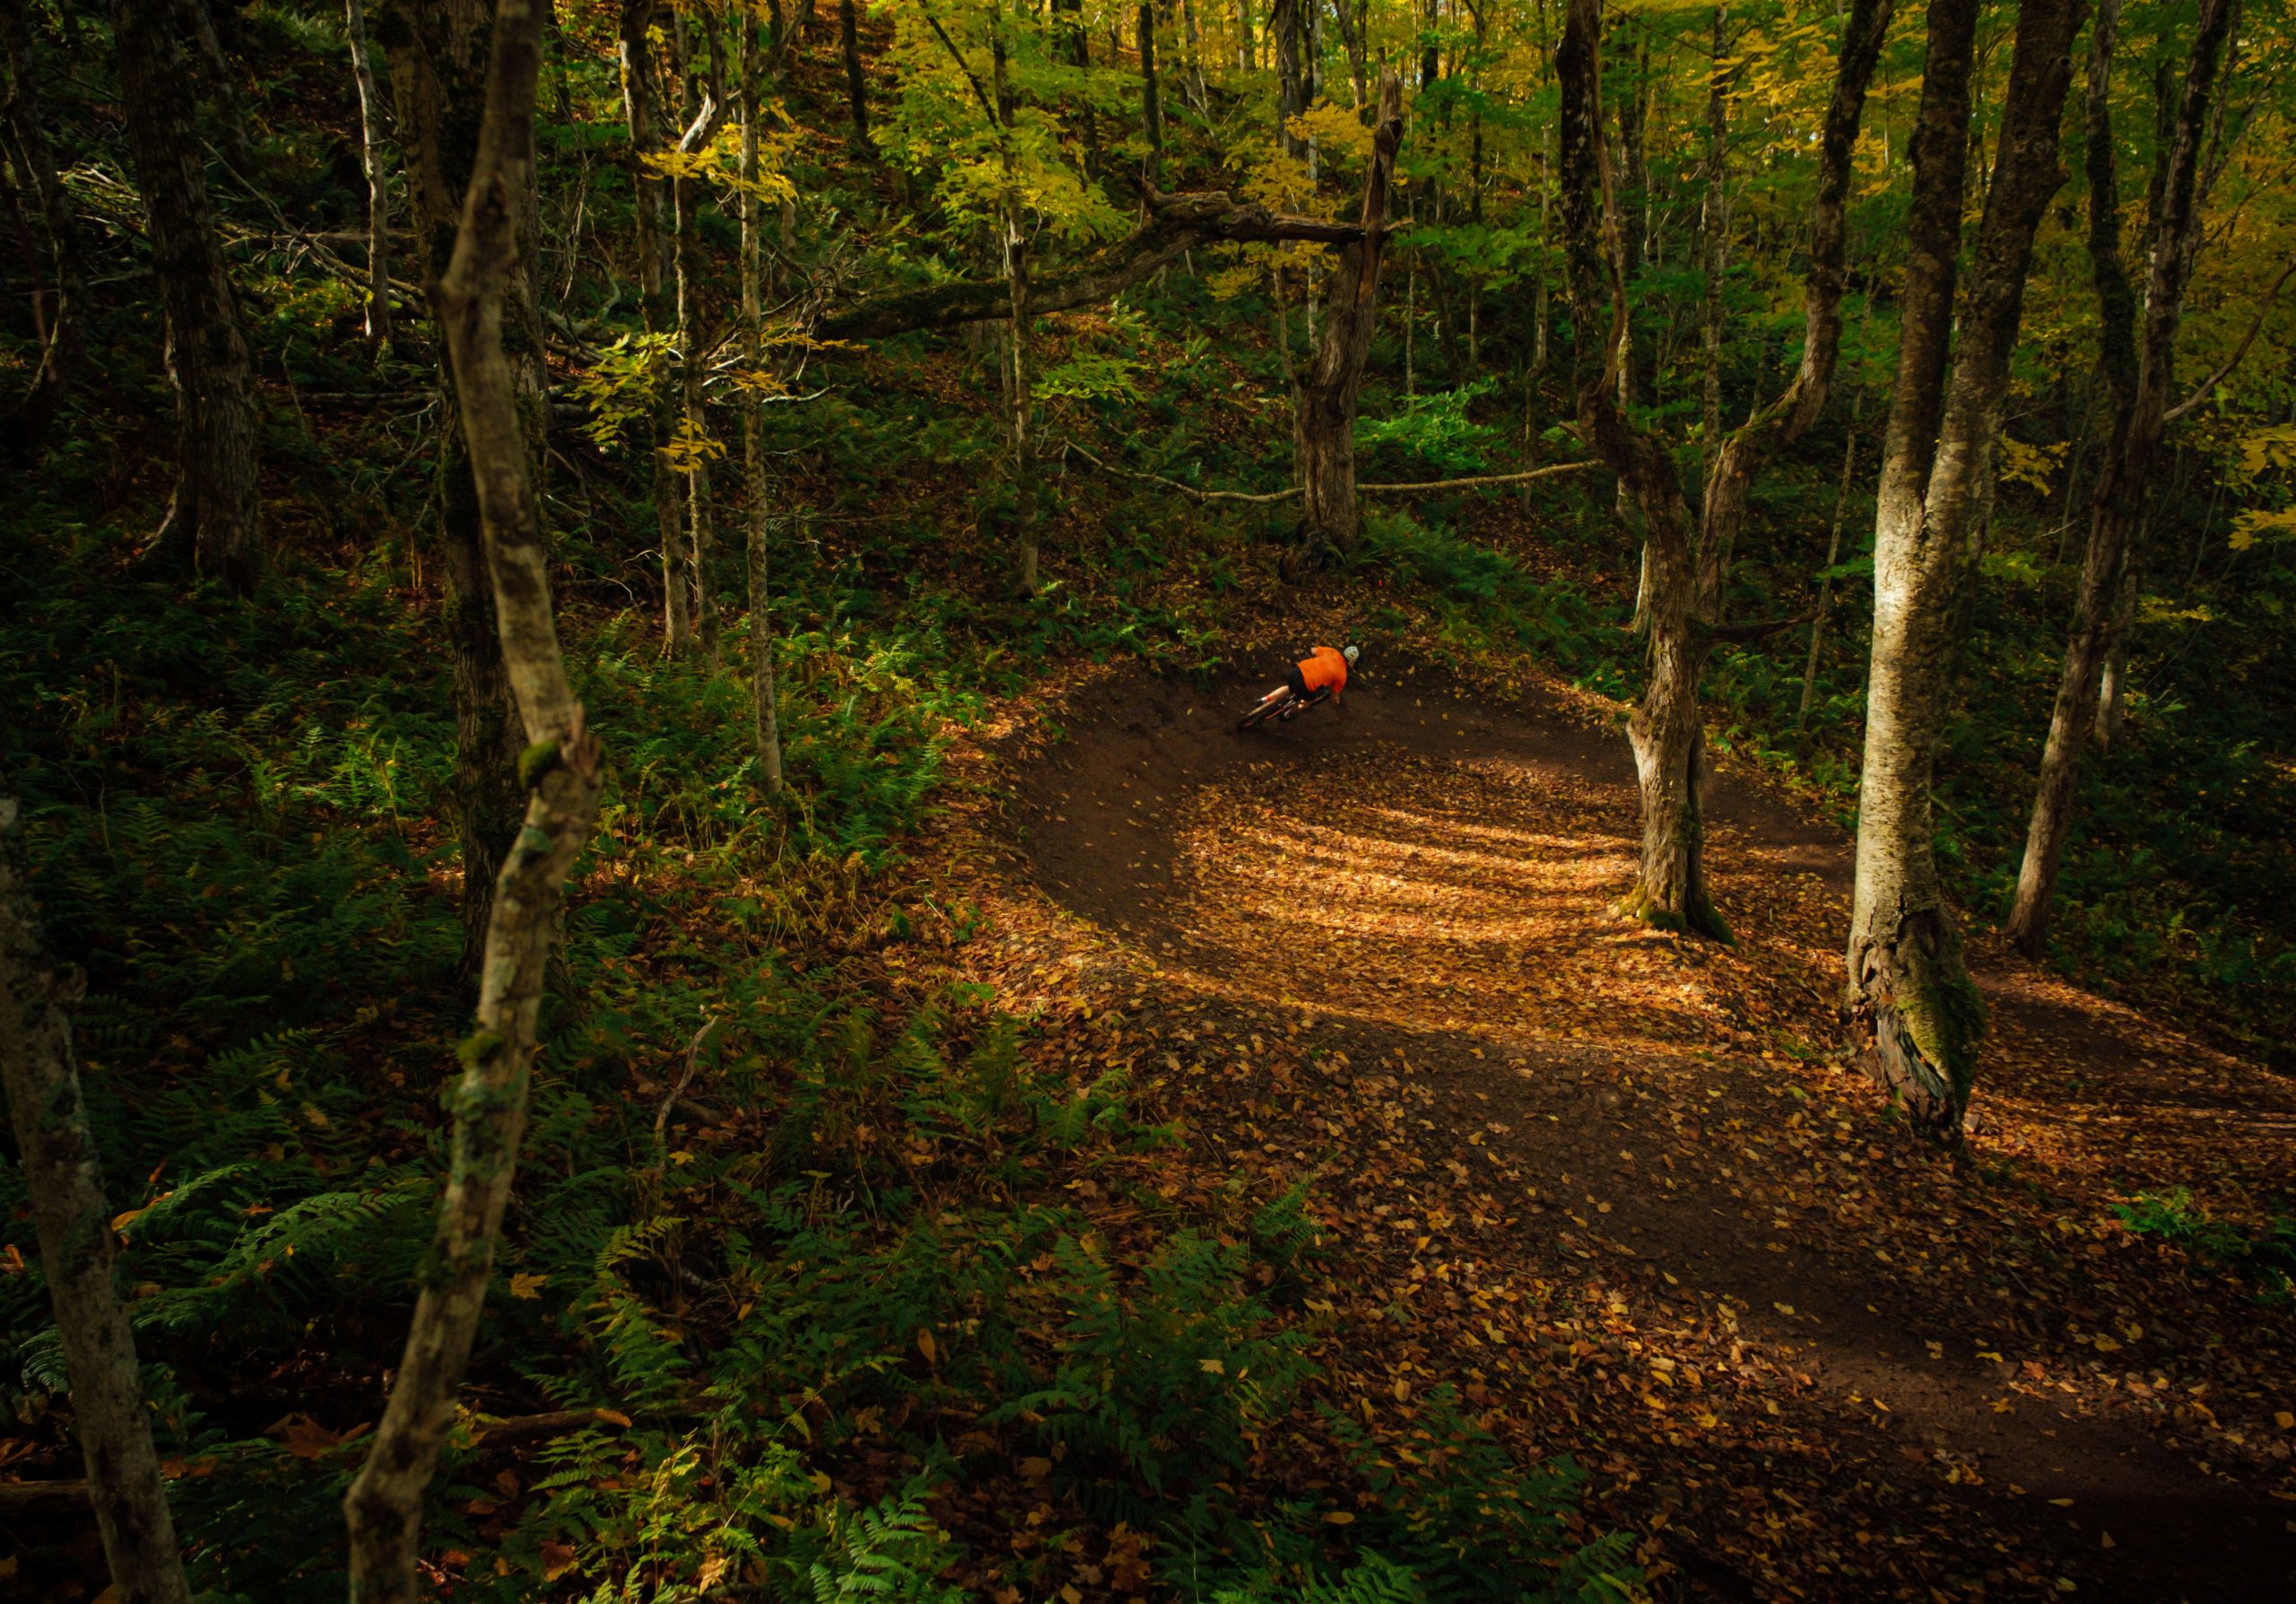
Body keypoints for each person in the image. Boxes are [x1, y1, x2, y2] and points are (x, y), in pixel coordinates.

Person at [1285, 643, 1360, 706]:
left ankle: (1272, 698)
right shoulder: (1343, 675)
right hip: (1305, 685)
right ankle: (1290, 714)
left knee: (1289, 688)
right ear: (1351, 662)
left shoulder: (1332, 651)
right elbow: (1333, 695)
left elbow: (1313, 650)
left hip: (1295, 671)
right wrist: (1337, 702)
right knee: (1309, 701)